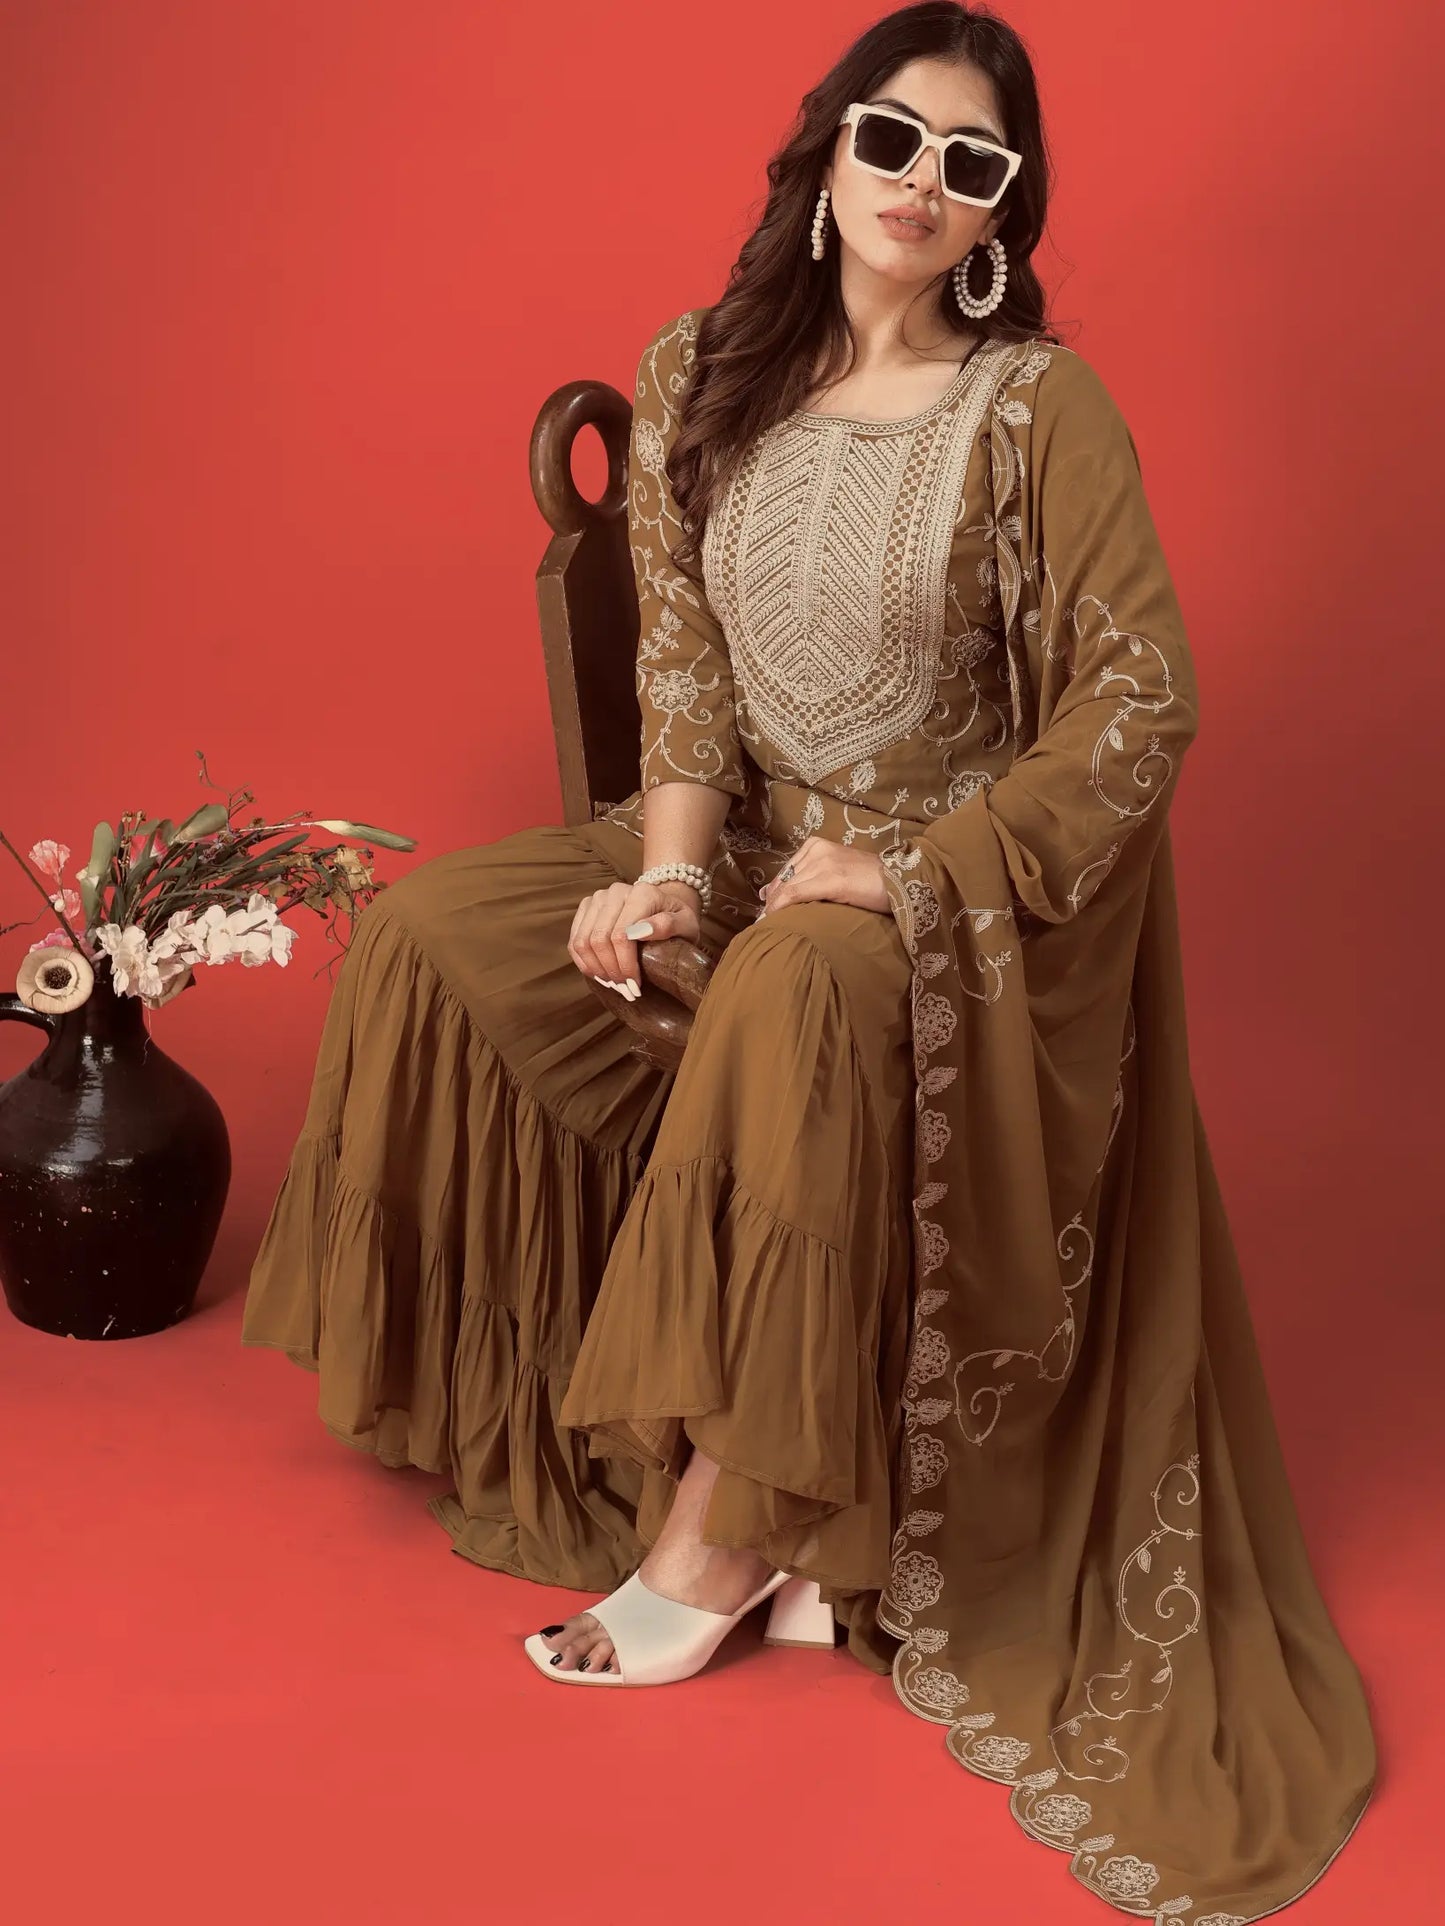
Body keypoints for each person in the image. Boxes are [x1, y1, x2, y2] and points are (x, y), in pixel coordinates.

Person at [242, 4, 1377, 1916]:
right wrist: (664, 891)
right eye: (894, 139)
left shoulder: (1033, 411)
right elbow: (681, 712)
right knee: (444, 936)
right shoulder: (699, 376)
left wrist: (913, 876)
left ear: (1005, 212)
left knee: (798, 977)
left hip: (952, 916)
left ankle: (730, 1523)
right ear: (825, 150)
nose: (924, 185)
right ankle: (545, 1405)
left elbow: (1137, 700)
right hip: (757, 855)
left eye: (974, 164)